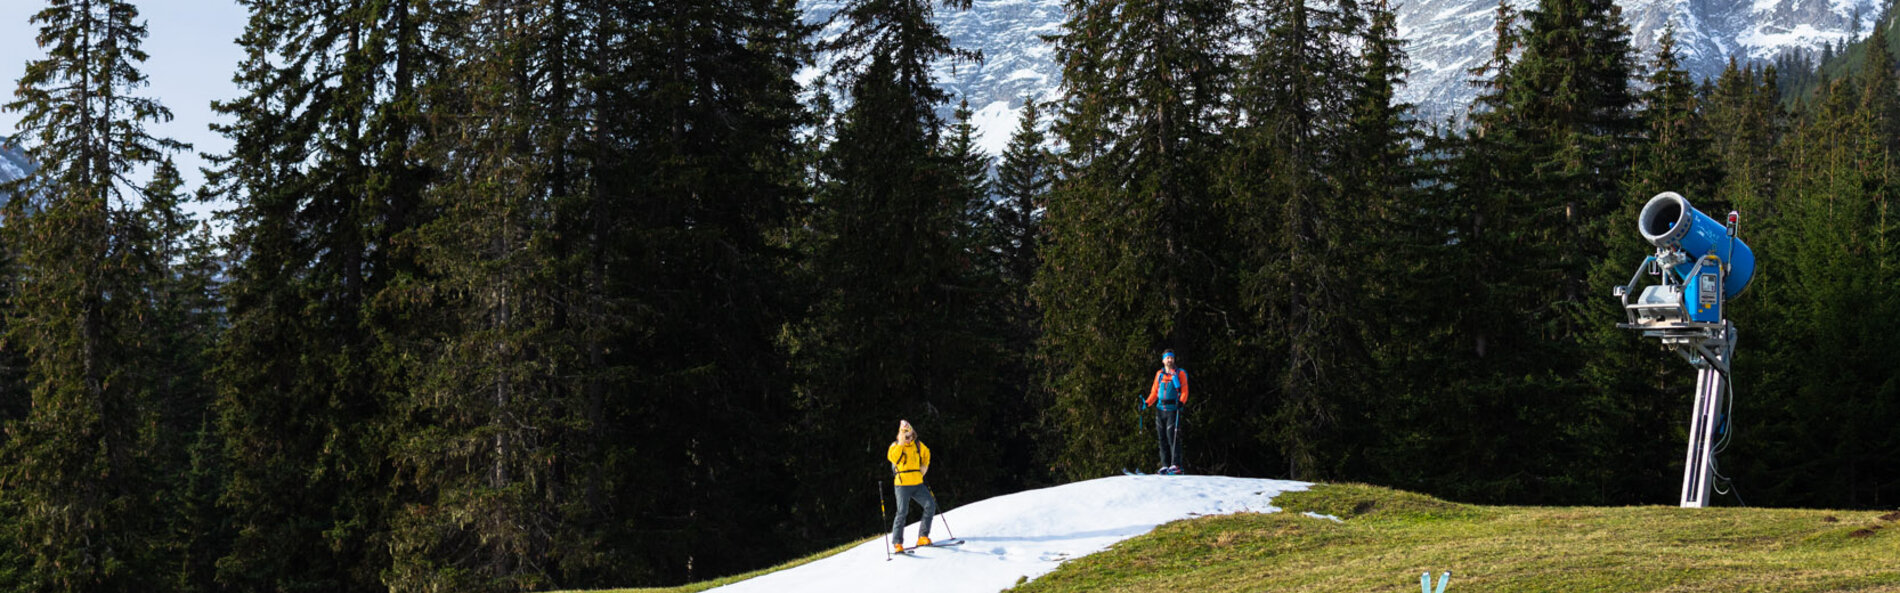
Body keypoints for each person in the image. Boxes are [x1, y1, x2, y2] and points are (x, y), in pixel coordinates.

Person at [886, 420, 938, 553]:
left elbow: (927, 453)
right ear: (901, 435)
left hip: (917, 483)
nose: (909, 439)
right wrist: (901, 443)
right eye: (906, 437)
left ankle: (923, 537)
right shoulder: (895, 446)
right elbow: (892, 457)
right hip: (902, 485)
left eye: (910, 436)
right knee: (902, 512)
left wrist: (925, 466)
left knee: (930, 505)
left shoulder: (918, 445)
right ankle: (897, 543)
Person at [1143, 349, 1189, 474]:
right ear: (1163, 360)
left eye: (1171, 358)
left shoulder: (1180, 374)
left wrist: (1181, 401)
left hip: (1173, 410)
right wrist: (1147, 403)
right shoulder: (1160, 374)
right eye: (1167, 358)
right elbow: (1154, 391)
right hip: (1160, 409)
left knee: (1172, 436)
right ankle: (1164, 464)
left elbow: (1184, 390)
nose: (1169, 360)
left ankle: (1176, 465)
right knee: (1161, 437)